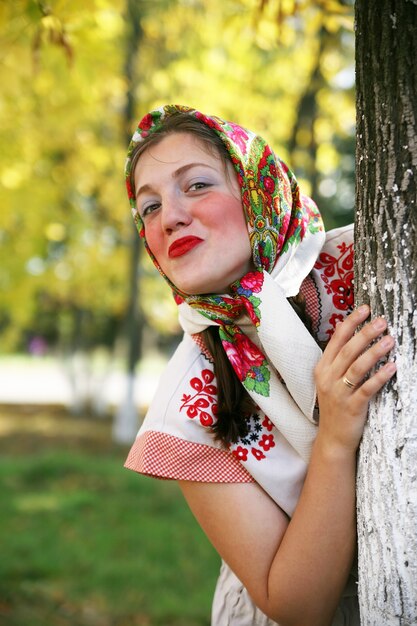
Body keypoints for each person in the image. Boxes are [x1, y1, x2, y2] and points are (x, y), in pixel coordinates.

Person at [123, 104, 396, 626]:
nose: (171, 216)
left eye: (196, 185)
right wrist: (335, 439)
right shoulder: (184, 408)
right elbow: (296, 603)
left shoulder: (374, 264)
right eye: (149, 207)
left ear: (258, 188)